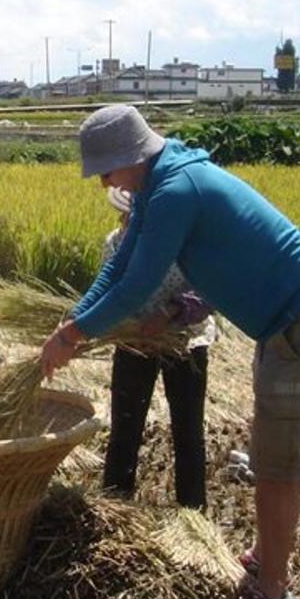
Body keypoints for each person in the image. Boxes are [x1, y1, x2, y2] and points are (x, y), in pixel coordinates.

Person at [40, 105, 300, 599]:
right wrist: (73, 321)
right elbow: (119, 266)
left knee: (278, 466)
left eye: (105, 170)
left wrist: (74, 336)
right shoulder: (161, 181)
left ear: (129, 157)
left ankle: (272, 598)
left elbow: (137, 285)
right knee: (267, 449)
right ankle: (266, 560)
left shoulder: (174, 191)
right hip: (285, 323)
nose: (103, 184)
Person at [99, 186, 216, 510]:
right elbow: (108, 291)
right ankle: (115, 503)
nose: (126, 222)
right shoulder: (114, 243)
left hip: (184, 341)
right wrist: (120, 327)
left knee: (187, 427)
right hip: (133, 342)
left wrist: (171, 312)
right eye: (124, 216)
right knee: (125, 425)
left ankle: (192, 509)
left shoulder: (186, 245)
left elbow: (209, 290)